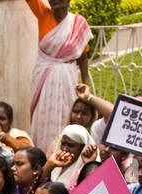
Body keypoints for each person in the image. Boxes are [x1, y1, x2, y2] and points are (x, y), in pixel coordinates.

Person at [24, 0, 93, 151]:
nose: (54, 1)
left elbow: (83, 56)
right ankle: (43, 154)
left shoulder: (78, 22)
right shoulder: (43, 14)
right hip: (44, 78)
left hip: (68, 78)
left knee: (67, 115)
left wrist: (86, 82)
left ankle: (67, 153)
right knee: (42, 118)